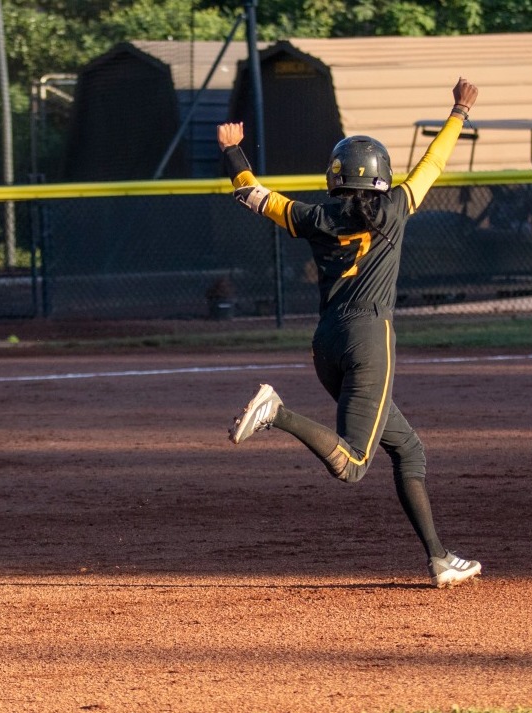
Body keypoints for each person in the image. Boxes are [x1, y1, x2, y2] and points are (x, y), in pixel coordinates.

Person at [216, 77, 481, 589]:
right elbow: (435, 164)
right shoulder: (396, 209)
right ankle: (278, 413)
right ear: (381, 177)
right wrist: (458, 111)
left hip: (326, 344)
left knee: (407, 449)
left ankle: (439, 559)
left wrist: (233, 150)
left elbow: (252, 194)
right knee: (355, 464)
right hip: (368, 341)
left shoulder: (315, 216)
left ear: (336, 177)